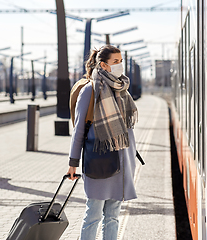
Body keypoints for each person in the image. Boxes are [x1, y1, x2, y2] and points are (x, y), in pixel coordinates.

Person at [66, 45, 138, 240]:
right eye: (116, 62)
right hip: (99, 161)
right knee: (94, 216)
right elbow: (79, 130)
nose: (120, 65)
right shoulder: (89, 91)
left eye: (121, 61)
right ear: (104, 65)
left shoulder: (122, 88)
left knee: (113, 217)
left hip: (122, 162)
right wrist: (73, 163)